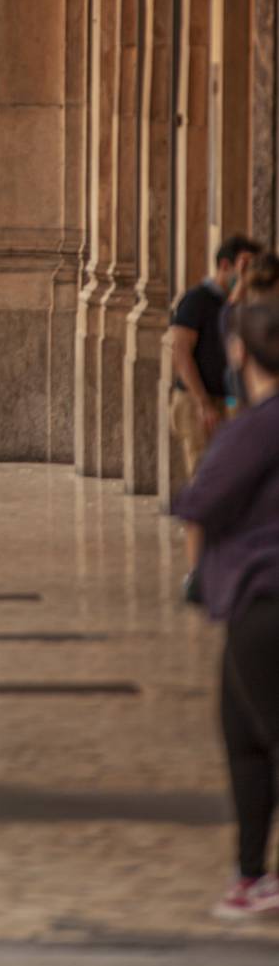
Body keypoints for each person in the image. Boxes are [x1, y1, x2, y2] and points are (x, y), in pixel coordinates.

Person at [174, 298, 279, 921]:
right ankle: (249, 874)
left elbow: (202, 499)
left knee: (263, 734)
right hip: (252, 598)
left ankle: (250, 873)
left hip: (264, 597)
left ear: (239, 351)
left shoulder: (259, 423)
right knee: (242, 735)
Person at [171, 235, 260, 483]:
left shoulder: (240, 302)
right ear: (224, 265)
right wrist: (202, 402)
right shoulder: (196, 300)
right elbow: (181, 353)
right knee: (203, 474)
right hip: (196, 399)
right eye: (243, 266)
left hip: (227, 400)